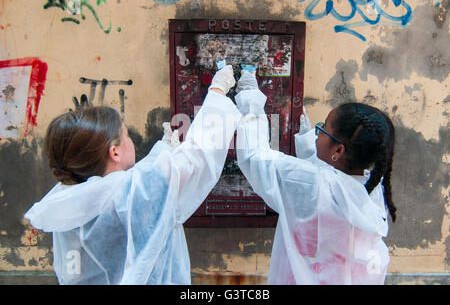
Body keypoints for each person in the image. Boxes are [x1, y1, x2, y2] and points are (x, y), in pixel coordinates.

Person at [24, 65, 241, 285]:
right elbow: (197, 156)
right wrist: (217, 94)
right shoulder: (135, 192)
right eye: (125, 135)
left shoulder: (67, 196)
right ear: (114, 152)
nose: (130, 141)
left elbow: (125, 183)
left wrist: (164, 150)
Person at [235, 69, 396, 284]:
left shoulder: (311, 183)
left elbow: (255, 157)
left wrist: (250, 101)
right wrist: (308, 146)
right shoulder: (372, 188)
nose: (317, 133)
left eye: (323, 130)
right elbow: (329, 182)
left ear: (338, 151)